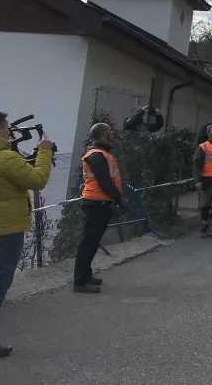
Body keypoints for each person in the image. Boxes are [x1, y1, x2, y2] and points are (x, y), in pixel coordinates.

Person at [0, 111, 54, 358]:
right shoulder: (6, 159)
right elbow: (38, 180)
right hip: (6, 231)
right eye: (7, 128)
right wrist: (45, 151)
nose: (10, 132)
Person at [74, 123, 131, 294]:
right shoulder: (96, 155)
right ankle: (80, 282)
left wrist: (111, 203)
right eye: (110, 133)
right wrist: (120, 199)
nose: (113, 135)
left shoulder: (101, 154)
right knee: (88, 243)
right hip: (94, 204)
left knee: (91, 243)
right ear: (104, 134)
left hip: (99, 203)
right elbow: (104, 181)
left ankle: (86, 276)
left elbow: (106, 183)